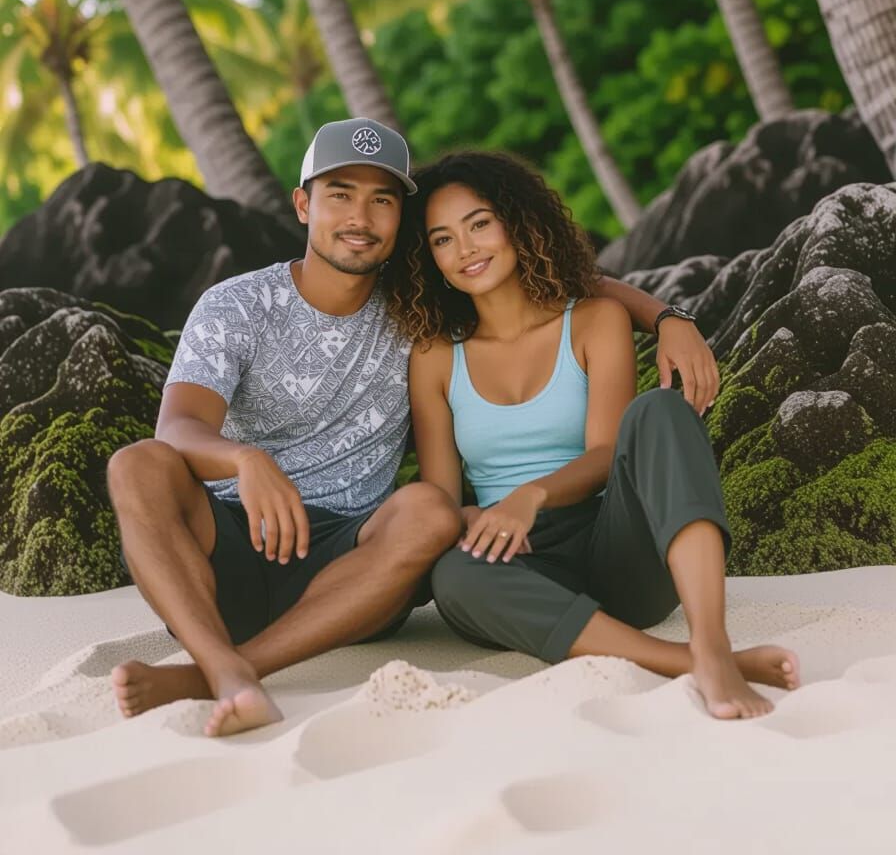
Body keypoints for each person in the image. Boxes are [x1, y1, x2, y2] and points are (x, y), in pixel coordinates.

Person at [107, 120, 724, 738]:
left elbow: (546, 279)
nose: (360, 216)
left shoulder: (415, 305)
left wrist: (668, 315)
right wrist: (245, 460)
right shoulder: (237, 305)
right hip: (235, 547)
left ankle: (220, 674)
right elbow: (179, 427)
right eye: (340, 194)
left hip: (357, 565)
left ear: (400, 222)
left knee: (430, 510)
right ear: (303, 204)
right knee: (136, 464)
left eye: (382, 200)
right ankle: (224, 669)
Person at [384, 150, 800, 720]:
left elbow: (607, 454)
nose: (466, 250)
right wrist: (473, 519)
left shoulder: (594, 320)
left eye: (479, 224)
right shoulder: (434, 357)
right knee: (454, 574)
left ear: (517, 222)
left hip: (613, 544)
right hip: (518, 561)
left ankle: (711, 640)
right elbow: (439, 495)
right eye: (442, 239)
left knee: (659, 410)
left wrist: (532, 496)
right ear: (427, 257)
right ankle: (685, 660)